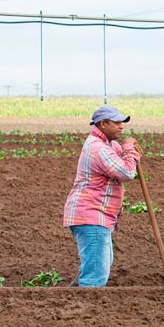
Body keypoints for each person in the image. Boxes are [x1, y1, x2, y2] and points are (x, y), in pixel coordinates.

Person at [62, 105, 141, 287]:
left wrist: (129, 150)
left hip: (95, 215)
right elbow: (126, 172)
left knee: (97, 264)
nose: (121, 126)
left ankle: (69, 297)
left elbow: (120, 153)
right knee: (97, 272)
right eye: (117, 123)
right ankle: (82, 309)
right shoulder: (99, 149)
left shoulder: (107, 145)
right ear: (103, 124)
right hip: (91, 214)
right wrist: (130, 151)